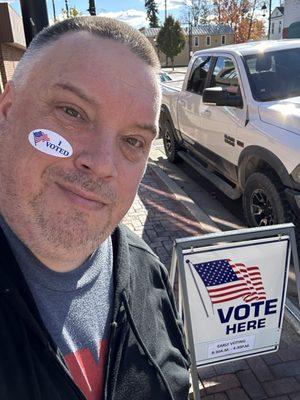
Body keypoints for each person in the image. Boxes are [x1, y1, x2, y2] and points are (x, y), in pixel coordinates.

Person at [0, 16, 190, 400]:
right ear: (7, 109)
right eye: (72, 112)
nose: (103, 164)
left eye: (133, 141)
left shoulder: (147, 270)